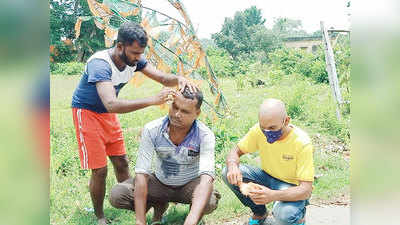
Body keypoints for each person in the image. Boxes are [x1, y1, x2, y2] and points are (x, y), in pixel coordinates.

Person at [71, 21, 195, 225]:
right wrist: (152, 100)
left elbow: (163, 78)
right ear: (120, 46)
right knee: (100, 170)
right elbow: (111, 103)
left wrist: (178, 79)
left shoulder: (134, 60)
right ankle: (100, 216)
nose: (138, 58)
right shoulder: (99, 64)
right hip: (87, 113)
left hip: (107, 114)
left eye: (141, 53)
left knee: (121, 162)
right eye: (135, 53)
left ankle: (130, 201)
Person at [109, 88, 220, 225]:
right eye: (175, 107)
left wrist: (190, 222)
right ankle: (158, 204)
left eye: (185, 111)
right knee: (118, 194)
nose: (177, 114)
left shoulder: (205, 135)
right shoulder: (152, 129)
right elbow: (142, 174)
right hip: (160, 182)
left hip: (189, 185)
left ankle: (195, 216)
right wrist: (140, 221)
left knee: (209, 201)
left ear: (197, 113)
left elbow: (206, 179)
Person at [223, 98, 314, 225]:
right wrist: (232, 166)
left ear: (286, 121)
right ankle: (260, 213)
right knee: (227, 172)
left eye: (272, 127)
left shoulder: (301, 142)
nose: (267, 132)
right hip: (267, 177)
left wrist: (272, 195)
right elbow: (236, 151)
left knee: (285, 215)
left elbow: (306, 190)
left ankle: (299, 218)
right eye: (263, 127)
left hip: (292, 186)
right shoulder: (258, 131)